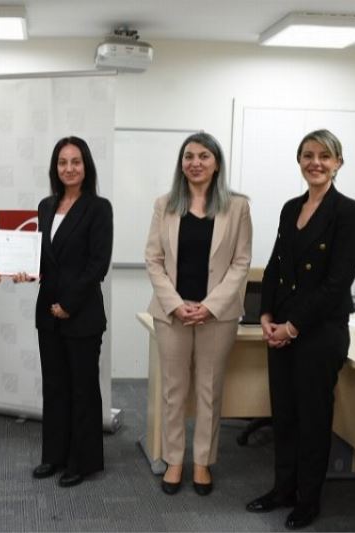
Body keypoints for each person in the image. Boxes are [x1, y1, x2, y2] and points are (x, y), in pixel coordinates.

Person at [246, 129, 355, 530]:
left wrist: (293, 326)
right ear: (299, 160)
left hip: (318, 333)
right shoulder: (290, 208)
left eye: (324, 156)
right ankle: (283, 489)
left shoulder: (349, 213)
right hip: (281, 328)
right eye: (308, 155)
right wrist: (265, 314)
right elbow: (276, 265)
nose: (315, 163)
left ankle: (308, 500)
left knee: (313, 419)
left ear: (338, 163)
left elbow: (337, 284)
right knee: (284, 415)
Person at [144, 132, 252, 496]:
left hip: (217, 315)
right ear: (181, 163)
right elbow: (153, 259)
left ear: (216, 163)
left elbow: (241, 262)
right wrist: (176, 304)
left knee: (209, 390)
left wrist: (210, 305)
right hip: (172, 312)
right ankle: (174, 459)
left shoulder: (237, 207)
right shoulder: (165, 205)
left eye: (204, 156)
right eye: (189, 156)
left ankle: (203, 461)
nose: (195, 163)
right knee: (174, 391)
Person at [13, 136, 113, 488]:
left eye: (75, 161)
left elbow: (98, 264)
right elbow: (45, 258)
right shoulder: (46, 206)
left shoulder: (98, 208)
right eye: (62, 162)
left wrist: (69, 304)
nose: (69, 168)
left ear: (86, 166)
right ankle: (54, 455)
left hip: (81, 313)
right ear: (55, 168)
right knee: (55, 387)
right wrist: (24, 270)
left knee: (83, 389)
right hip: (47, 313)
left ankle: (82, 461)